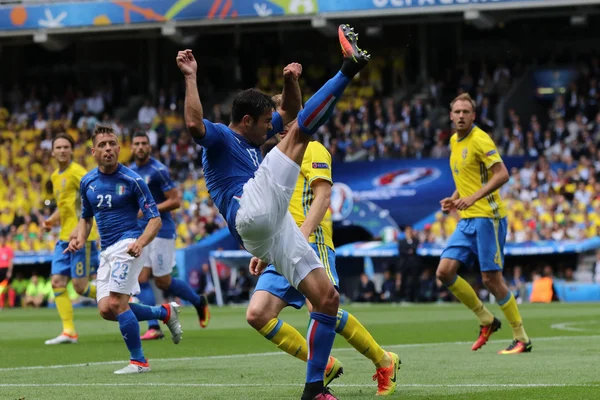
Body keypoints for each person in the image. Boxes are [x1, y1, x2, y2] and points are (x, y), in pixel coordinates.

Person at [177, 24, 369, 400]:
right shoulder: (220, 137)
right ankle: (348, 68)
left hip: (269, 230)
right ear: (246, 121)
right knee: (300, 134)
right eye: (266, 123)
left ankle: (314, 389)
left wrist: (290, 81)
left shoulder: (253, 140)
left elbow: (292, 111)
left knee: (326, 298)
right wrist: (191, 77)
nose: (271, 128)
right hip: (248, 207)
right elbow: (193, 124)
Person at [246, 93, 400, 396]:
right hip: (280, 248)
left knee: (322, 307)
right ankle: (323, 364)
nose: (278, 120)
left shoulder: (313, 148)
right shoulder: (273, 159)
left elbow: (323, 197)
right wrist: (265, 251)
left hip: (310, 241)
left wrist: (301, 235)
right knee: (258, 314)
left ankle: (384, 361)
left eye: (284, 112)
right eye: (274, 114)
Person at [66, 125, 183, 374]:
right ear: (93, 151)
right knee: (107, 310)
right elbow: (86, 219)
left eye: (112, 144)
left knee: (119, 303)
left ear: (119, 148)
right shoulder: (87, 181)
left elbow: (155, 219)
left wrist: (140, 242)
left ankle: (139, 361)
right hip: (106, 250)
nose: (108, 148)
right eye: (102, 145)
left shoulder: (133, 180)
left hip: (127, 245)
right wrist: (78, 237)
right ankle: (163, 312)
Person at [436, 93, 532, 354]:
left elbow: (502, 174)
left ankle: (521, 337)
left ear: (473, 116)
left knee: (491, 279)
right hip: (467, 219)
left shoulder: (480, 139)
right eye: (457, 112)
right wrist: (454, 199)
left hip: (489, 217)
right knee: (444, 272)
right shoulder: (454, 142)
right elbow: (465, 179)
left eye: (466, 112)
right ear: (451, 115)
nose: (461, 116)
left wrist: (473, 197)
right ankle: (486, 319)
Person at [130, 131, 210, 341]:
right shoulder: (130, 172)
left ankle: (197, 301)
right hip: (141, 231)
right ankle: (153, 326)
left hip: (161, 230)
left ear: (149, 147)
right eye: (136, 143)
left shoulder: (158, 170)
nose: (140, 147)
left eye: (143, 143)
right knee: (141, 279)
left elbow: (175, 201)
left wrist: (150, 209)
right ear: (131, 147)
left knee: (163, 281)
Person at [44, 133, 101, 344]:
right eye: (58, 147)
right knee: (57, 282)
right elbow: (65, 206)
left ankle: (121, 296)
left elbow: (92, 202)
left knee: (80, 287)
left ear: (71, 150)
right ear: (52, 152)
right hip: (63, 237)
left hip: (81, 237)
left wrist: (80, 229)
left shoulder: (79, 173)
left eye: (66, 147)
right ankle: (68, 331)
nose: (61, 150)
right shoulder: (54, 176)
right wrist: (51, 220)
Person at [0, 235, 15, 309]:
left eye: (3, 239)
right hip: (0, 270)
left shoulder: (8, 249)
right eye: (1, 239)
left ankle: (11, 305)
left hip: (6, 270)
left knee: (10, 288)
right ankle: (1, 305)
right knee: (1, 288)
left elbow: (11, 261)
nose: (2, 240)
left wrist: (9, 271)